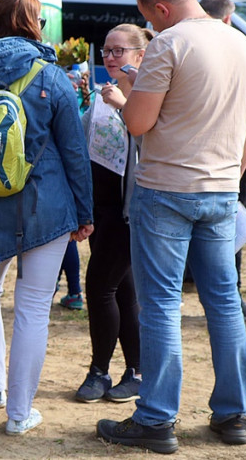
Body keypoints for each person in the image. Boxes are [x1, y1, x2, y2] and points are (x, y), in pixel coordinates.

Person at [97, 0, 246, 453]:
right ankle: (234, 414)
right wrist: (230, 176)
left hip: (166, 188)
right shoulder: (244, 46)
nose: (152, 26)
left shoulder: (169, 44)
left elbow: (139, 122)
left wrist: (126, 100)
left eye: (149, 18)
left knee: (162, 305)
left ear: (160, 10)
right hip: (221, 189)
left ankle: (155, 418)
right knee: (224, 303)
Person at [0, 0, 93, 436]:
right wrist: (85, 211)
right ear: (34, 23)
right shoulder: (51, 75)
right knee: (32, 308)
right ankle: (19, 412)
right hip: (45, 210)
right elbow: (74, 153)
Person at [74, 23, 151, 404]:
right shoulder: (101, 94)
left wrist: (123, 106)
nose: (109, 58)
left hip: (128, 211)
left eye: (118, 51)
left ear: (139, 56)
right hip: (100, 210)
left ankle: (99, 372)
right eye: (106, 50)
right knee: (122, 289)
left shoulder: (148, 95)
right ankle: (137, 371)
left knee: (99, 287)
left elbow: (152, 143)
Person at [199, 0, 246, 322]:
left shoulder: (189, 46)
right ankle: (231, 295)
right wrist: (241, 168)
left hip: (191, 161)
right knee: (227, 232)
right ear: (227, 19)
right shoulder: (242, 50)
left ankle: (219, 291)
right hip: (228, 161)